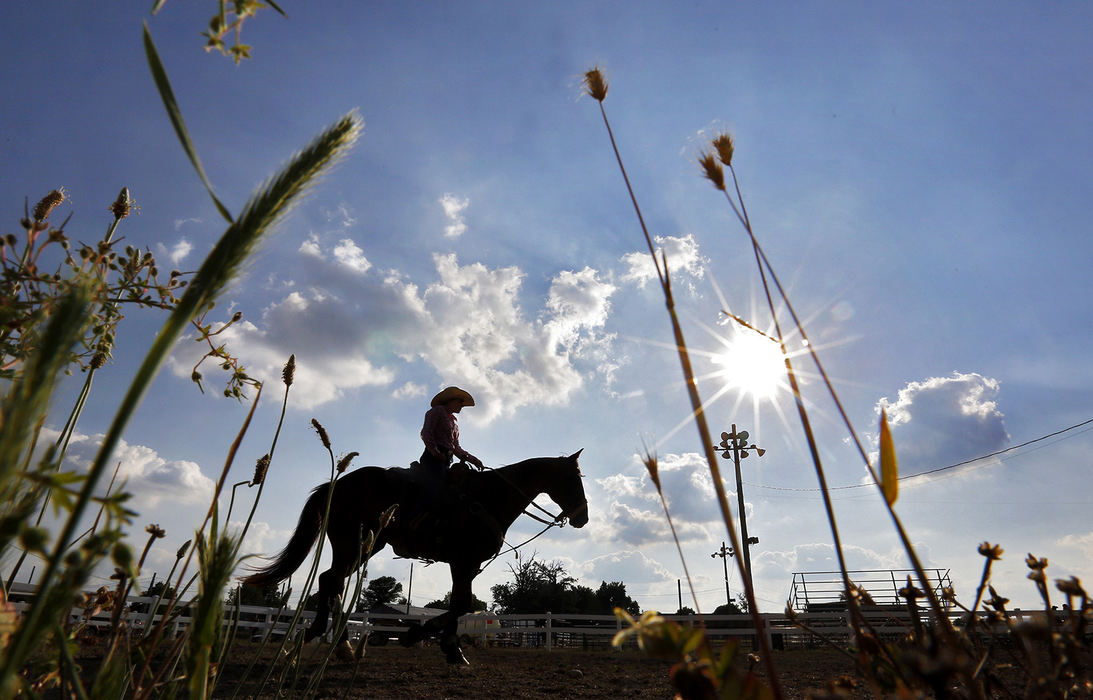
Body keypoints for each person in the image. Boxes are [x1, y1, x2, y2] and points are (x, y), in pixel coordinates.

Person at [418, 386, 484, 479]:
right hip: (432, 459)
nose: (462, 405)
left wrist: (474, 460)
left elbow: (456, 448)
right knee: (438, 487)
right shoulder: (437, 411)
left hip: (445, 461)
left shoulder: (454, 424)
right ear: (450, 401)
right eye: (459, 401)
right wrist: (436, 453)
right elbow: (426, 433)